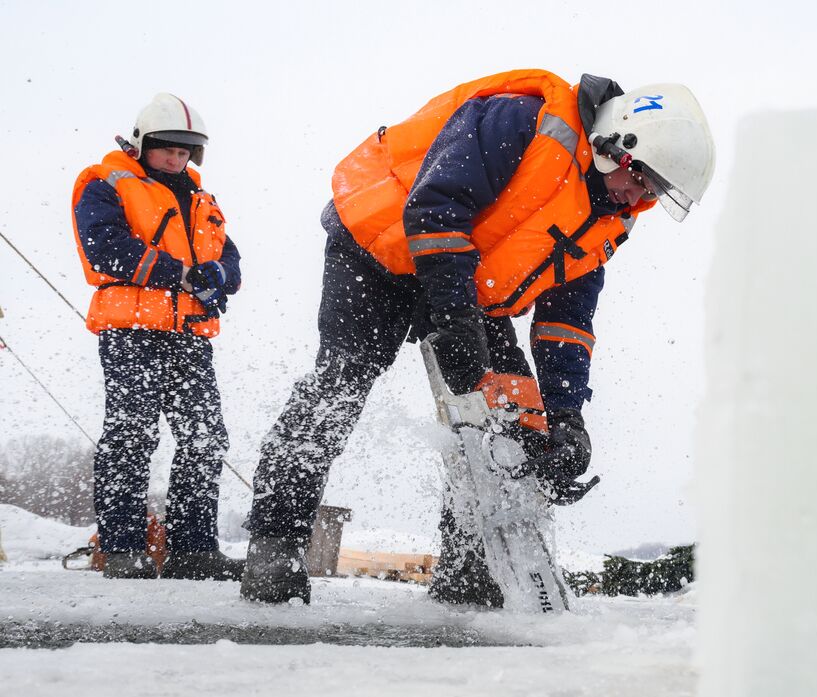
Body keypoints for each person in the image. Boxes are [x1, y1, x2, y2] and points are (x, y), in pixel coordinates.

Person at [239, 69, 715, 605]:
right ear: (618, 144)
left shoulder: (612, 215)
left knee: (516, 420)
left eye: (653, 190)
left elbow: (567, 322)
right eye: (640, 178)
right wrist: (455, 321)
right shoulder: (521, 122)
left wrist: (565, 416)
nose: (638, 196)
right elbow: (436, 206)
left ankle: (470, 569)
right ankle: (274, 546)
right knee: (340, 386)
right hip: (379, 247)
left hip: (466, 283)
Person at [71, 93, 245, 581]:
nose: (176, 157)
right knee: (131, 435)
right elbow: (106, 249)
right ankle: (122, 548)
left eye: (185, 150)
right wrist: (185, 274)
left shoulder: (202, 199)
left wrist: (217, 277)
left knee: (206, 438)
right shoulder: (106, 182)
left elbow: (230, 259)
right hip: (131, 333)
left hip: (189, 337)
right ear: (143, 142)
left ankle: (193, 550)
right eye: (167, 148)